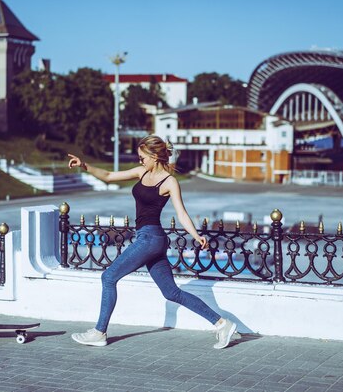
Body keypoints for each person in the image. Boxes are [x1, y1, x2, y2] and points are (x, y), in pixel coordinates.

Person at [67, 135, 238, 349]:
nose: (140, 161)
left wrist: (196, 236)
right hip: (150, 239)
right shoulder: (142, 172)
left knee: (109, 277)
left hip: (150, 238)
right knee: (171, 293)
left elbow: (182, 214)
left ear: (155, 156)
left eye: (142, 157)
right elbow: (109, 175)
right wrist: (85, 165)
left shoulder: (169, 182)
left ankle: (99, 332)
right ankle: (222, 323)